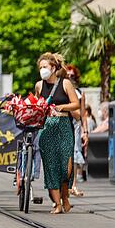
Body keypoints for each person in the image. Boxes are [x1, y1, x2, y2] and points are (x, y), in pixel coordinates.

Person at [35, 53, 79, 214]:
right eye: (40, 67)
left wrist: (62, 107)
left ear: (53, 68)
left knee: (65, 168)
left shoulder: (65, 83)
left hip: (64, 125)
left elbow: (76, 104)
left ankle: (65, 198)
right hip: (47, 127)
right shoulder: (39, 85)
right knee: (51, 167)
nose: (42, 70)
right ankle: (57, 204)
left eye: (45, 67)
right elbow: (37, 105)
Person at [65, 65, 88, 197]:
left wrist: (85, 132)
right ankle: (64, 187)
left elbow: (83, 113)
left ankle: (73, 185)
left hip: (76, 125)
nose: (70, 77)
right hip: (64, 122)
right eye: (68, 75)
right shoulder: (62, 89)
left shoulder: (80, 92)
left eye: (72, 75)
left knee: (74, 154)